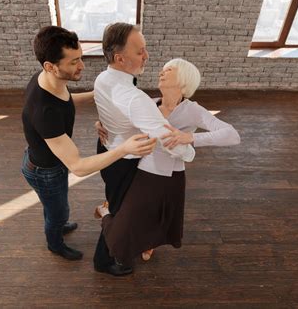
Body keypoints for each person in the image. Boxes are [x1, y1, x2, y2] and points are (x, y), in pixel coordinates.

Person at [21, 26, 157, 261]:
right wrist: (125, 148)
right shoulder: (45, 112)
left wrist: (102, 95)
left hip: (52, 160)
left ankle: (57, 223)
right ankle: (55, 243)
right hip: (45, 171)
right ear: (50, 66)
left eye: (80, 57)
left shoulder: (45, 80)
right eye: (73, 62)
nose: (82, 66)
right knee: (57, 211)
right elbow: (78, 167)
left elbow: (67, 100)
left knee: (57, 209)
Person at [94, 58, 241, 268]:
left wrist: (192, 138)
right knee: (119, 240)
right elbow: (121, 122)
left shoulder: (193, 110)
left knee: (156, 219)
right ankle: (105, 211)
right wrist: (101, 124)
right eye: (162, 70)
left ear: (184, 79)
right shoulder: (149, 102)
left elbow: (232, 135)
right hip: (141, 172)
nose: (161, 72)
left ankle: (148, 243)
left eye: (168, 70)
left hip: (171, 178)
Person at [92, 23, 196, 276]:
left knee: (119, 204)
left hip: (107, 149)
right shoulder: (134, 97)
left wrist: (105, 124)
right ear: (120, 58)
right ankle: (105, 260)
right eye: (140, 51)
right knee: (119, 209)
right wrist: (190, 152)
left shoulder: (103, 77)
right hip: (123, 161)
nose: (147, 56)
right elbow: (170, 141)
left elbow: (111, 109)